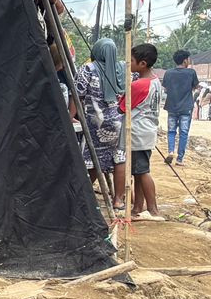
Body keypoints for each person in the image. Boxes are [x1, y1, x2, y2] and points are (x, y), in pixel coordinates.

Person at [76, 30, 127, 212]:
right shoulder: (122, 69)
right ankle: (118, 200)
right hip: (119, 122)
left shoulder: (88, 69)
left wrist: (71, 116)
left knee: (91, 158)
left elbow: (77, 95)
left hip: (95, 123)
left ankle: (83, 198)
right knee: (119, 159)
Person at [128, 43, 164, 221]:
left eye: (132, 60)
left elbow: (123, 108)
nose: (129, 63)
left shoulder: (138, 85)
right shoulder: (155, 81)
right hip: (148, 131)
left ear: (142, 64)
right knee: (138, 170)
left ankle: (153, 209)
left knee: (142, 171)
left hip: (137, 133)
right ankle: (137, 208)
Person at [162, 49, 199, 166]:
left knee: (171, 131)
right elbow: (195, 87)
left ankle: (171, 151)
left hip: (172, 106)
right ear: (184, 60)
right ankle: (179, 159)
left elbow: (166, 89)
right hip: (186, 108)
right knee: (183, 133)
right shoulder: (191, 73)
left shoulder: (168, 73)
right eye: (188, 59)